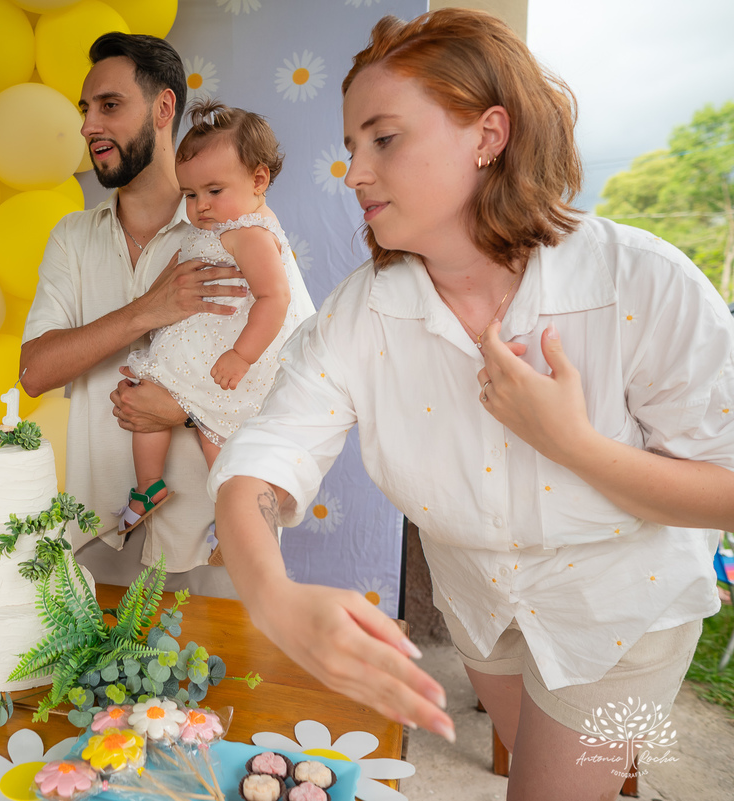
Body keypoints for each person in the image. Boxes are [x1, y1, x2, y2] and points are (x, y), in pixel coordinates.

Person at [209, 9, 734, 801]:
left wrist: (572, 442)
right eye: (352, 146)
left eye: (383, 139)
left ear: (489, 135)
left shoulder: (642, 282)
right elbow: (264, 453)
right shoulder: (361, 313)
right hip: (483, 609)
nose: (353, 172)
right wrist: (273, 596)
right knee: (548, 770)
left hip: (620, 614)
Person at [19, 33, 243, 597]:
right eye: (86, 110)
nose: (89, 126)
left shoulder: (237, 232)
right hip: (99, 543)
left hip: (215, 546)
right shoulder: (71, 238)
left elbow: (293, 383)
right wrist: (147, 311)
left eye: (110, 106)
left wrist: (183, 412)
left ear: (164, 108)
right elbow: (34, 371)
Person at [118, 100, 315, 537]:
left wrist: (241, 356)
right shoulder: (224, 225)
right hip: (196, 348)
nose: (200, 206)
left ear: (258, 179)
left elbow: (274, 297)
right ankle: (153, 489)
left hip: (226, 353)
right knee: (148, 403)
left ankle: (235, 522)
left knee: (217, 438)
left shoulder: (251, 234)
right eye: (190, 195)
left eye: (213, 191)